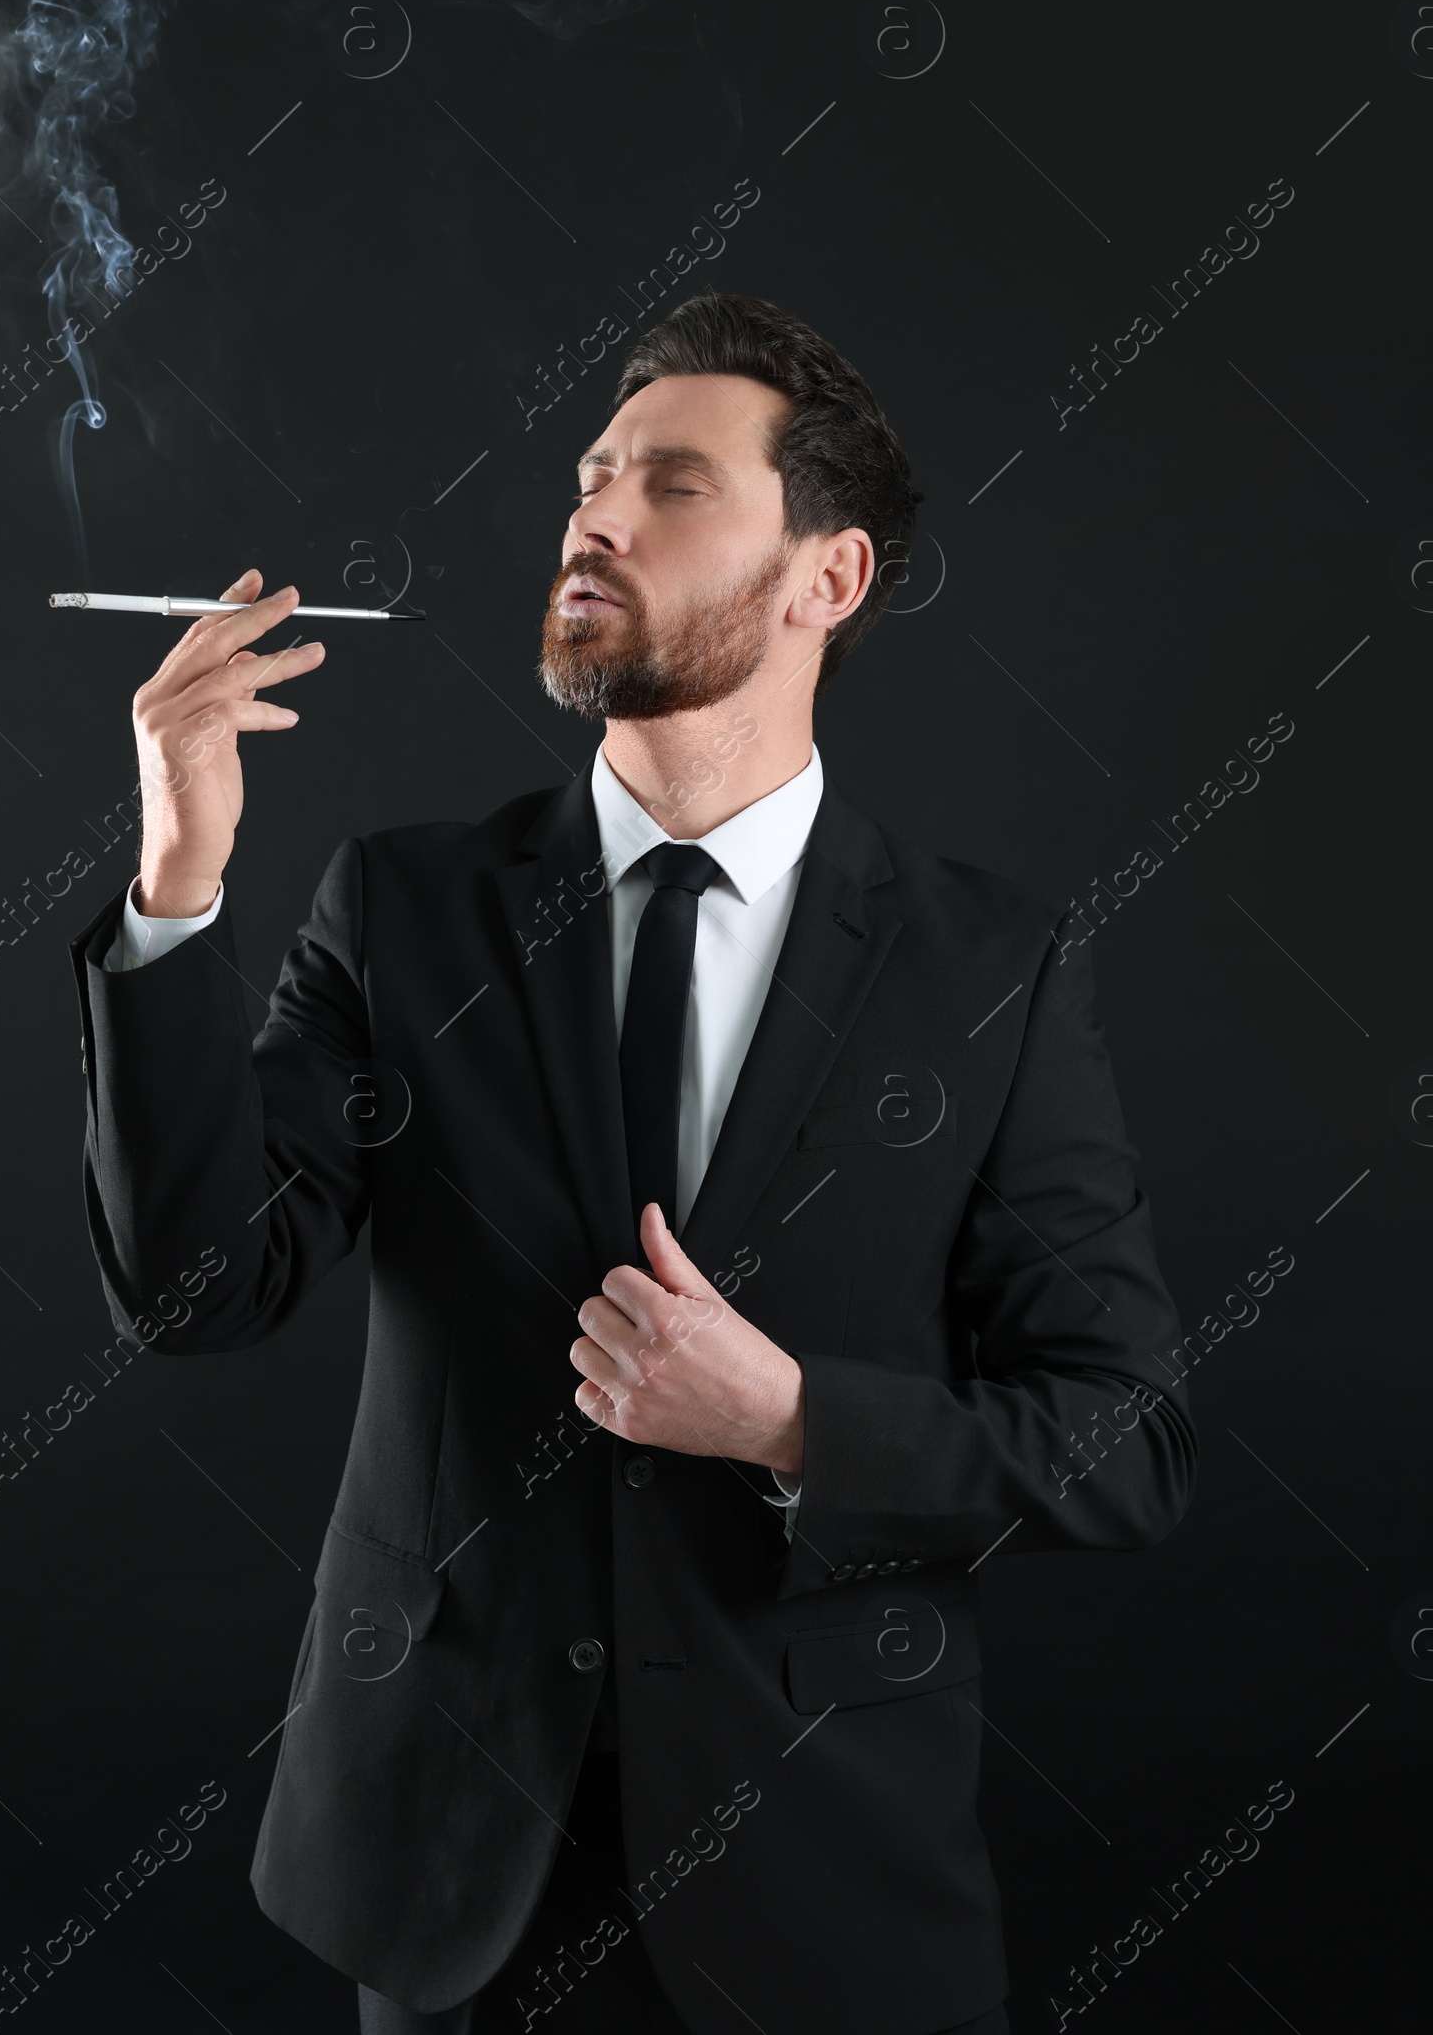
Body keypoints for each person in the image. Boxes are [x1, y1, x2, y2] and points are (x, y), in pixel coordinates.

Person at [69, 292, 1195, 2035]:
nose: (594, 516)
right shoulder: (403, 908)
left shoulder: (994, 970)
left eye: (672, 484)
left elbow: (1125, 1443)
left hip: (820, 1884)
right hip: (452, 1876)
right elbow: (201, 1292)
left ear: (828, 580)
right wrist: (175, 889)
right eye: (592, 477)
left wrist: (794, 1422)